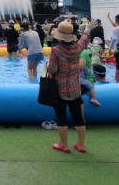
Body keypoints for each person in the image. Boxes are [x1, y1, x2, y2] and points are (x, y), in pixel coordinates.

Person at [47, 20, 90, 154]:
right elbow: (84, 39)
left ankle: (64, 145)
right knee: (79, 117)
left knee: (61, 117)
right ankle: (81, 145)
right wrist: (88, 29)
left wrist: (47, 67)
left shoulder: (56, 50)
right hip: (75, 89)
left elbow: (53, 69)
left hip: (59, 90)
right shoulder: (77, 48)